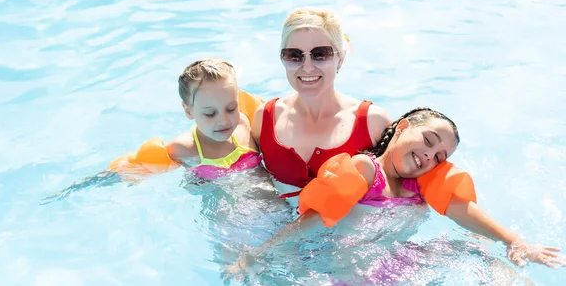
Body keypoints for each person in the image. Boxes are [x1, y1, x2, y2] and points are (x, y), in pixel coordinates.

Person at [225, 107, 565, 280]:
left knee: (480, 250)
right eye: (428, 142)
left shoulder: (421, 186)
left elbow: (464, 212)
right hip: (342, 273)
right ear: (402, 128)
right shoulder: (365, 170)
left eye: (439, 158)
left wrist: (515, 242)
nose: (428, 157)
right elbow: (314, 221)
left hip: (394, 266)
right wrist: (258, 255)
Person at [251, 7, 393, 208]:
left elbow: (401, 195)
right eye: (294, 55)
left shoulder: (374, 124)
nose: (307, 67)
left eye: (321, 54)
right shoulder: (266, 119)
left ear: (340, 59)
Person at [109, 58, 265, 180]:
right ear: (188, 111)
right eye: (210, 113)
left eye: (231, 108)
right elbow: (136, 167)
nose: (223, 120)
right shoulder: (184, 149)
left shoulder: (244, 125)